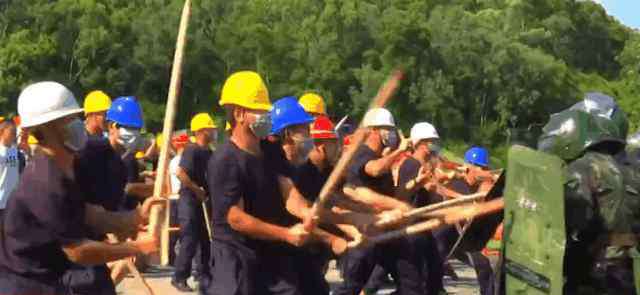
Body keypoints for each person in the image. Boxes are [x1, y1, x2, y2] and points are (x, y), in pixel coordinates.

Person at [0, 81, 159, 295]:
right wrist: (135, 248)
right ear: (46, 129)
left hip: (52, 280)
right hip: (27, 285)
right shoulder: (44, 181)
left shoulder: (67, 164)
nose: (77, 124)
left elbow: (88, 215)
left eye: (75, 117)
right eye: (69, 120)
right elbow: (78, 251)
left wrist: (135, 217)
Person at [206, 71, 317, 295]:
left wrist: (307, 211)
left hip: (270, 258)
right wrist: (286, 234)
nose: (268, 116)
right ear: (239, 114)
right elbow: (236, 218)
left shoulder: (269, 149)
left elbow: (287, 191)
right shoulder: (225, 160)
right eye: (261, 111)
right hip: (236, 263)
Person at [535, 93, 640, 294]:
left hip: (591, 275)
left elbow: (574, 223)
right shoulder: (632, 171)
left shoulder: (581, 168)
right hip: (625, 275)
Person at [335, 107, 425, 295]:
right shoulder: (362, 153)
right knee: (351, 288)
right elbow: (374, 169)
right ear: (373, 130)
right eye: (387, 128)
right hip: (366, 232)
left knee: (412, 286)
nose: (391, 133)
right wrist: (398, 152)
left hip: (387, 233)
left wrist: (416, 184)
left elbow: (395, 197)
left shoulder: (380, 157)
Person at [395, 122, 445, 295]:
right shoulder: (411, 165)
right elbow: (402, 194)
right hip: (411, 229)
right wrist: (419, 184)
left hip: (423, 227)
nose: (435, 146)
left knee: (435, 272)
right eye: (432, 141)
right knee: (413, 284)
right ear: (422, 145)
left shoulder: (425, 166)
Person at [172, 113, 217, 292]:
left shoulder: (210, 152)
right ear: (201, 131)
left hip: (203, 202)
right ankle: (179, 277)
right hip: (189, 201)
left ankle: (204, 274)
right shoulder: (192, 150)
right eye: (210, 129)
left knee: (205, 240)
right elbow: (181, 173)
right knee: (190, 239)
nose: (213, 132)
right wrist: (196, 189)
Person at [105, 96, 153, 209]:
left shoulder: (130, 160)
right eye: (129, 127)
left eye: (136, 129)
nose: (134, 133)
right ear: (112, 126)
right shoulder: (99, 155)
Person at [0, 120, 20, 225]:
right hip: (1, 201)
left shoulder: (13, 149)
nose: (15, 134)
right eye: (12, 131)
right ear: (2, 132)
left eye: (15, 131)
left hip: (13, 200)